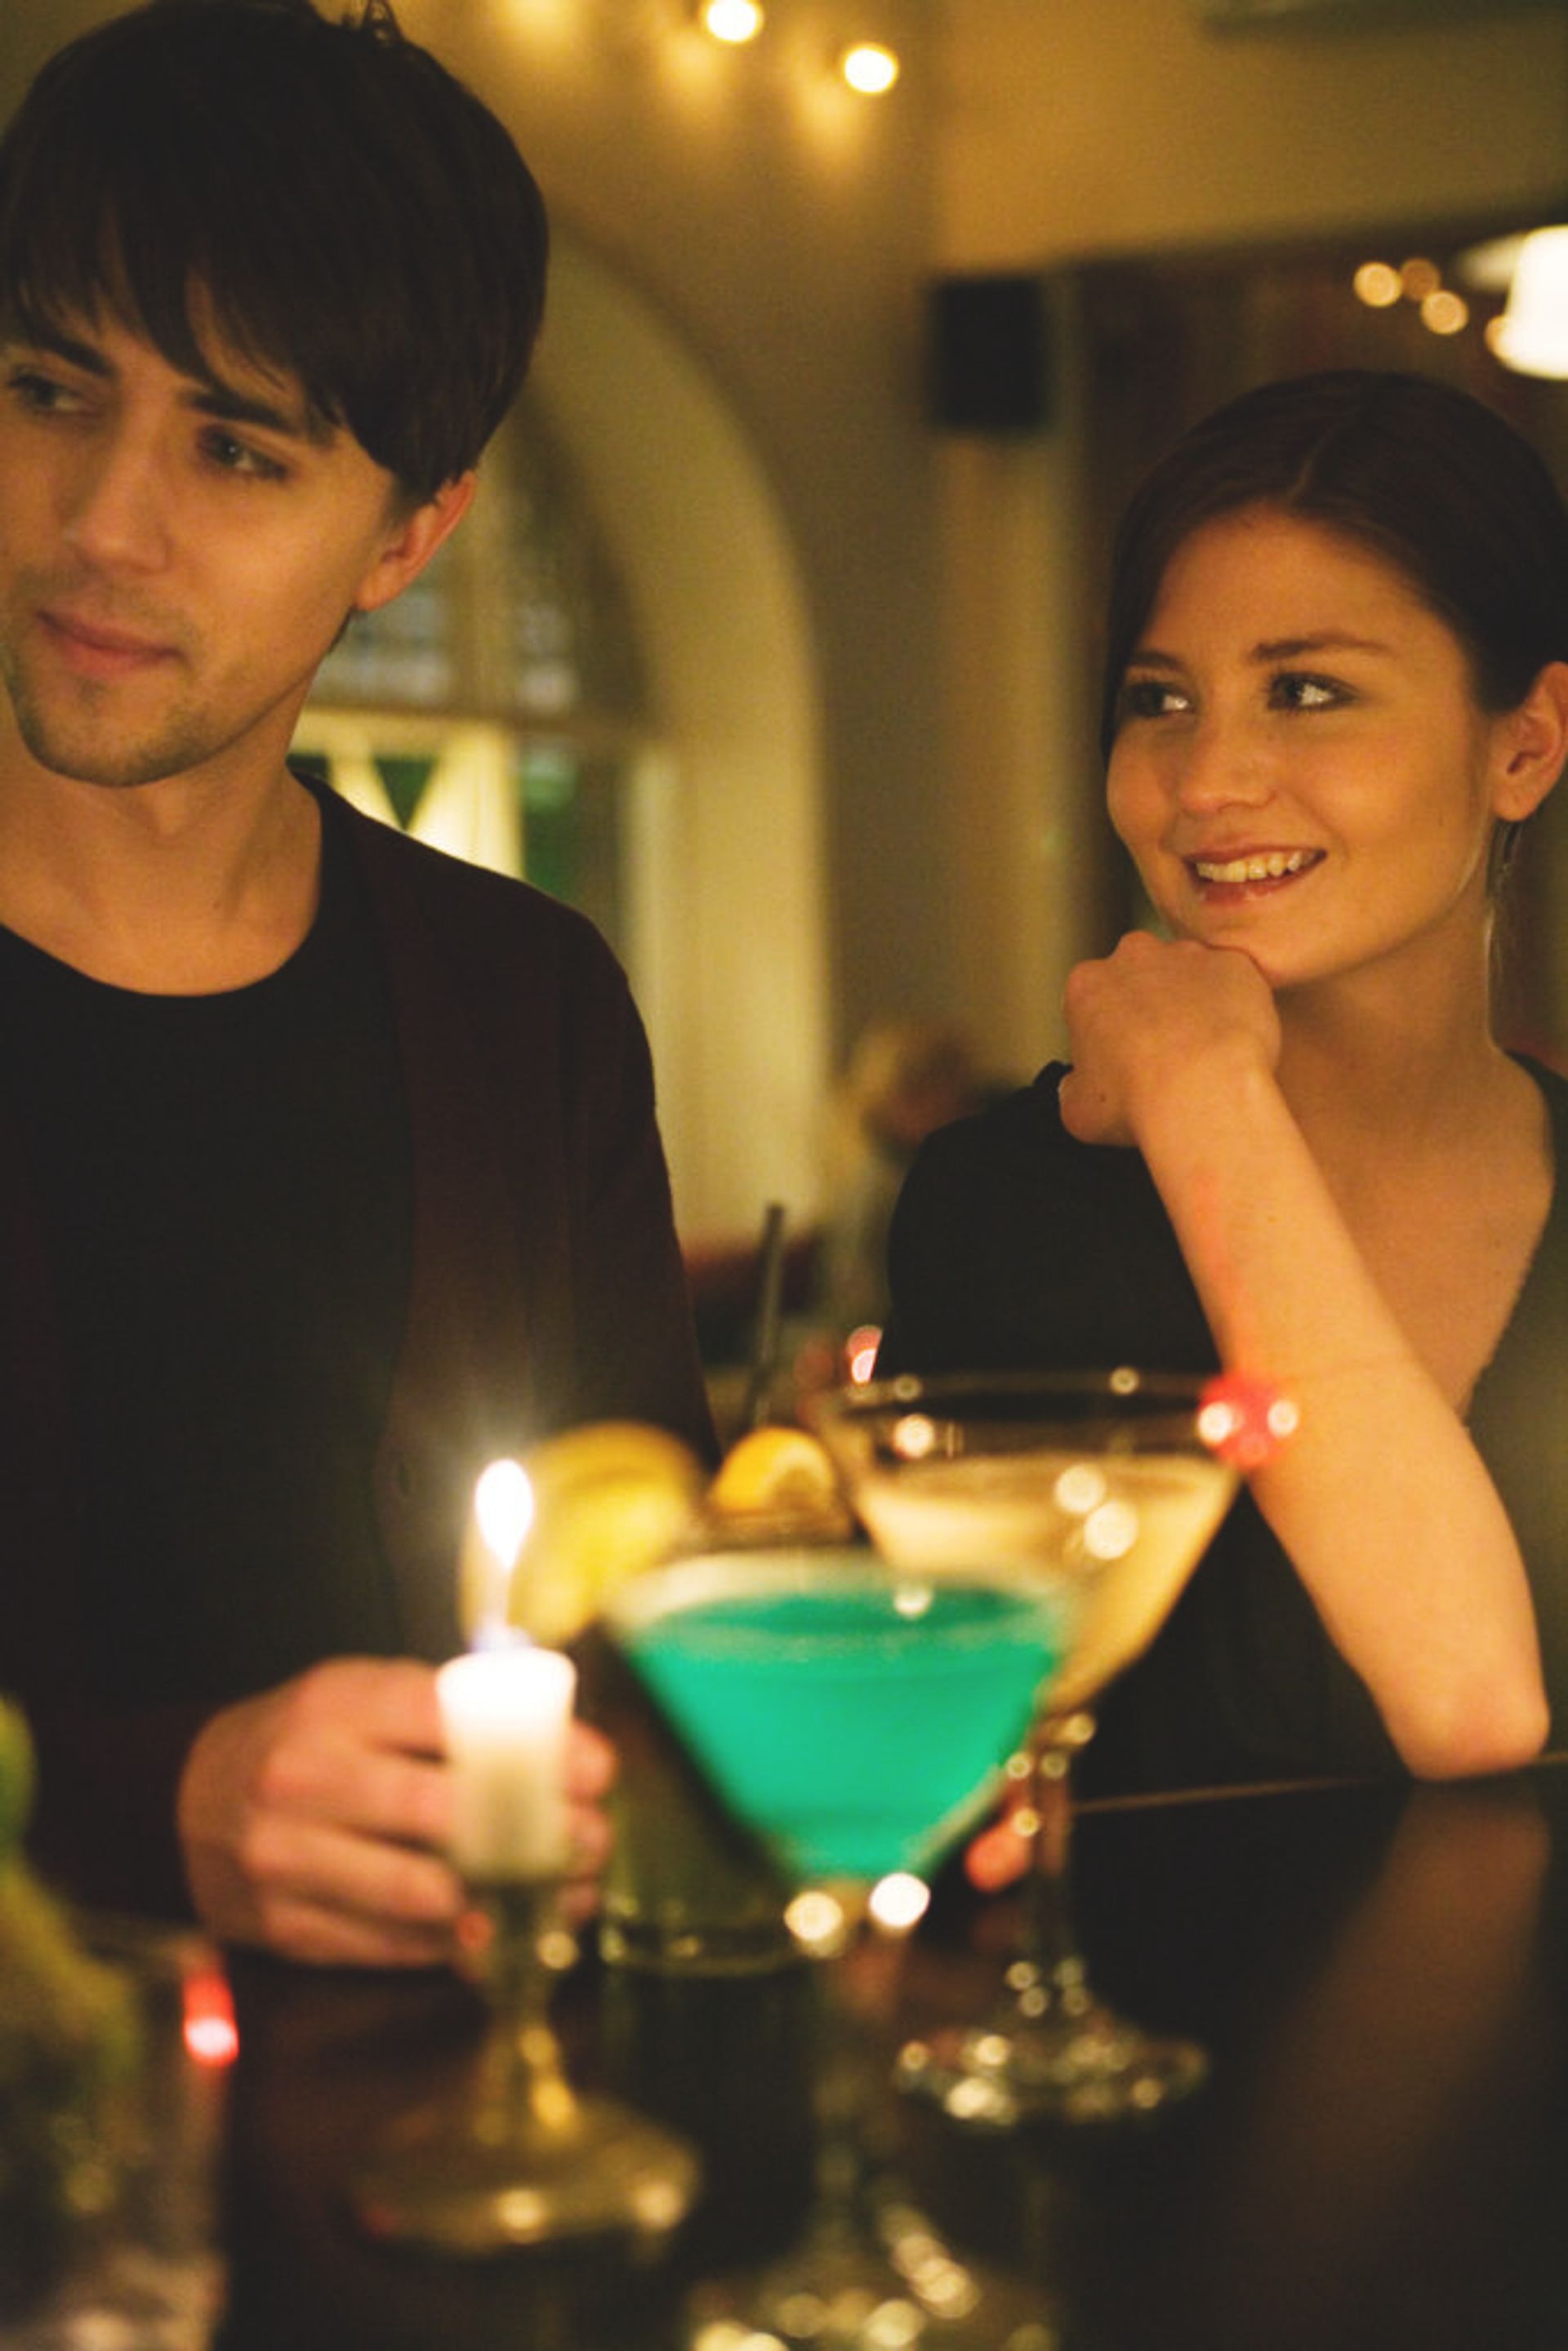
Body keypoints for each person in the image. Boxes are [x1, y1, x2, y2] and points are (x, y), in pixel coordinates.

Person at [0, 0, 713, 1963]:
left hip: (446, 2151)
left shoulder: (526, 1002)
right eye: (51, 391)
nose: (99, 521)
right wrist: (155, 1810)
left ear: (408, 534)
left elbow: (639, 1601)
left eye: (234, 449)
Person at [880, 368, 1568, 1799]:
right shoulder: (1008, 1207)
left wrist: (1203, 1089)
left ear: (1525, 744)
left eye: (1306, 691)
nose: (1207, 779)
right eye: (1160, 700)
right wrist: (1210, 1103)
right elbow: (979, 1789)